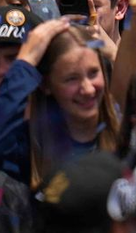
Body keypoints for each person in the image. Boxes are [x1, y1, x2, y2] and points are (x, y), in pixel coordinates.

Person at [0, 19, 119, 185]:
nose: (88, 89)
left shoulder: (126, 133)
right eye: (72, 79)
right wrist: (25, 62)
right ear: (46, 84)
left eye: (93, 73)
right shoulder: (31, 148)